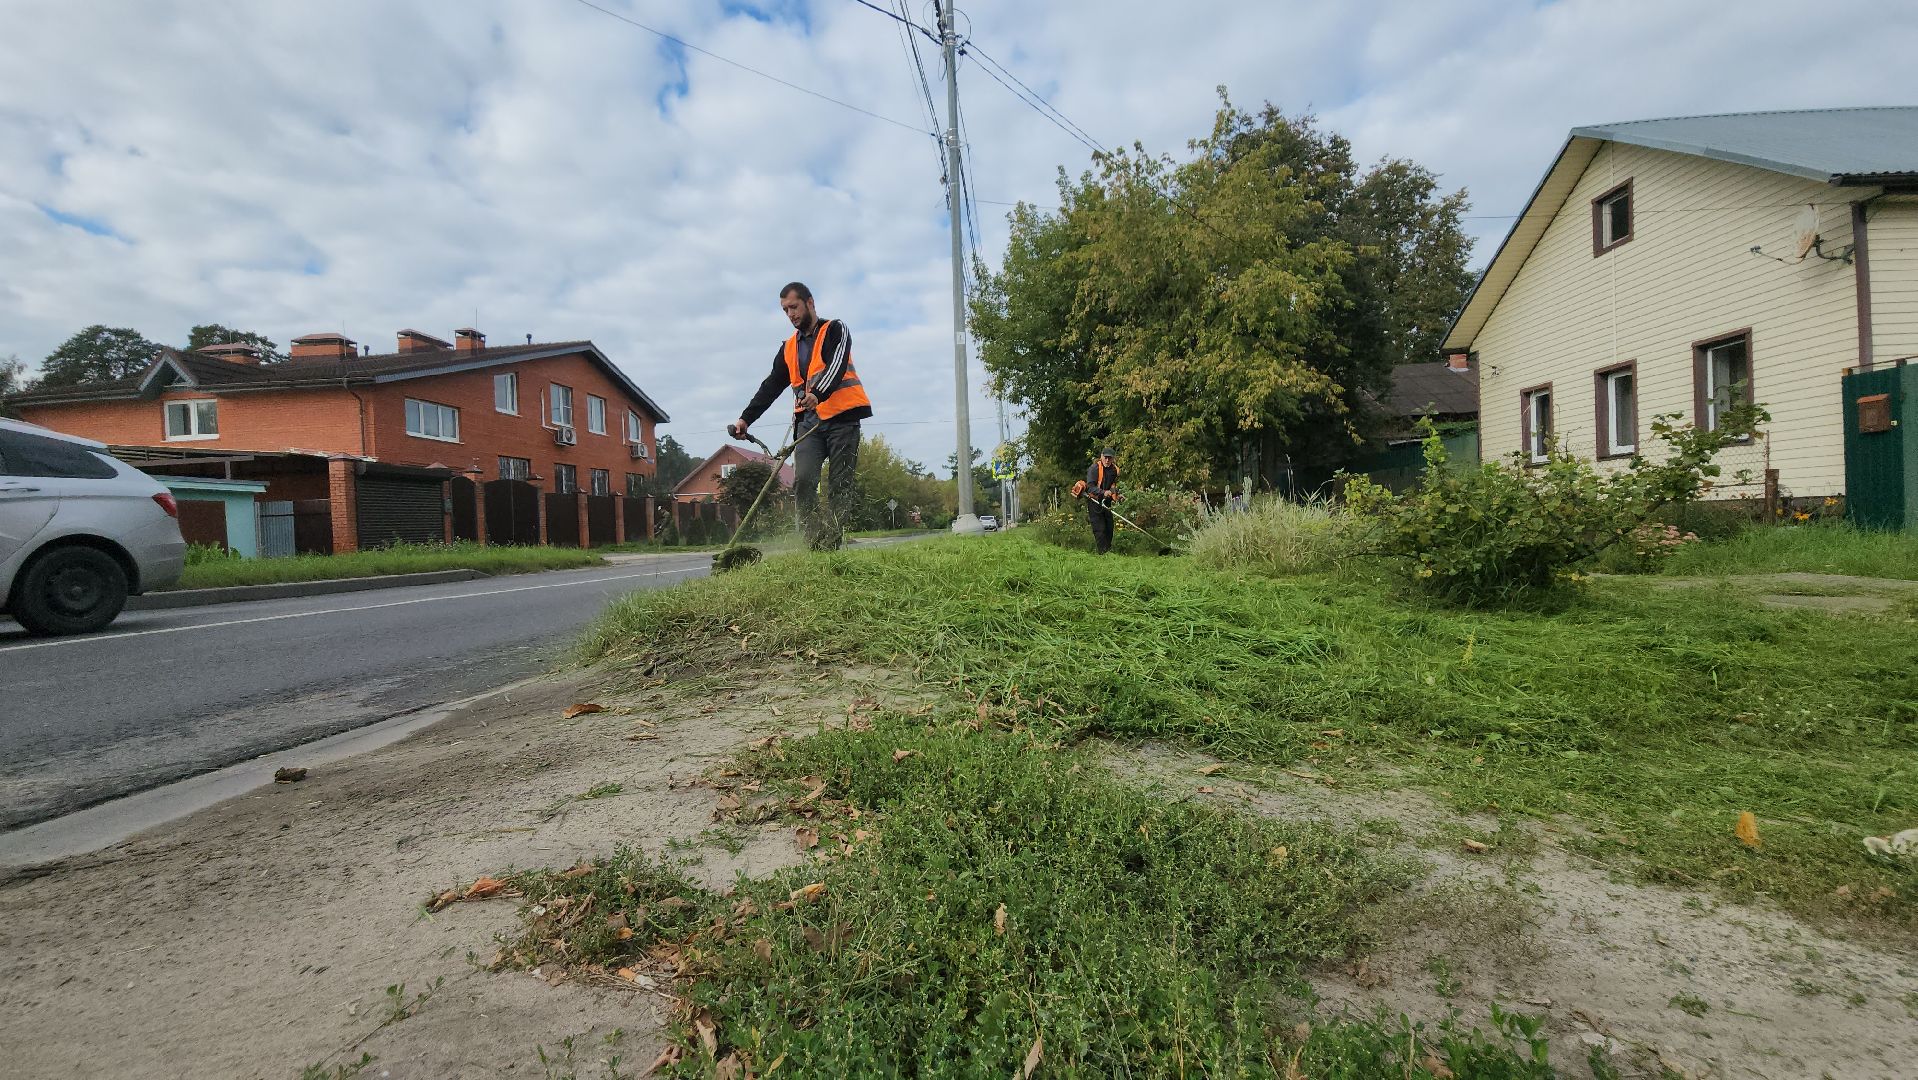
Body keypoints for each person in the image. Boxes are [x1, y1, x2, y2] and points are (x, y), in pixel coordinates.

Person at [730, 282, 872, 550]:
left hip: (843, 419)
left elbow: (837, 366)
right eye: (785, 310)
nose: (790, 314)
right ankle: (814, 544)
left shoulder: (835, 330)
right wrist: (745, 419)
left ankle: (830, 544)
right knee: (804, 482)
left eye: (793, 307)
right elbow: (770, 386)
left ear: (810, 302)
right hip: (809, 425)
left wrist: (818, 393)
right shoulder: (789, 348)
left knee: (840, 485)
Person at [1084, 447, 1121, 555]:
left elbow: (1113, 486)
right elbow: (1090, 487)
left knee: (1109, 527)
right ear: (1101, 457)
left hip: (1107, 502)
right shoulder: (1094, 469)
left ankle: (1108, 552)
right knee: (1100, 529)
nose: (1107, 460)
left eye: (1110, 458)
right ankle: (1103, 554)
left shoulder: (1114, 470)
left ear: (1113, 458)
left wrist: (1117, 495)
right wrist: (1103, 492)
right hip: (1094, 502)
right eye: (1105, 457)